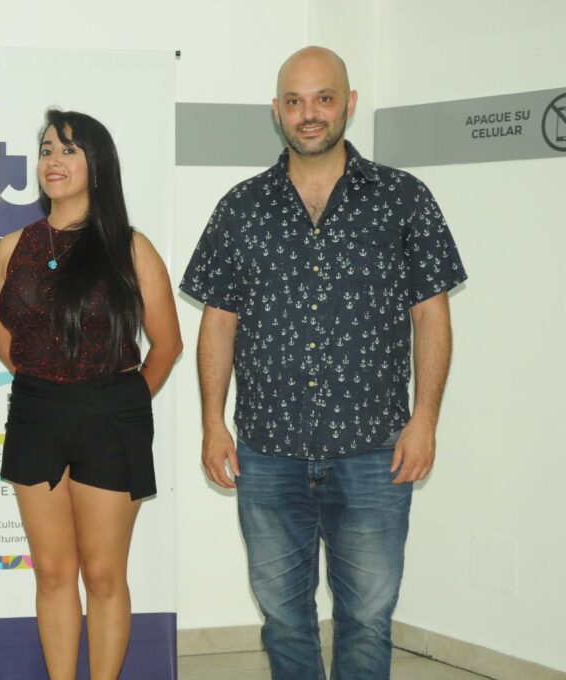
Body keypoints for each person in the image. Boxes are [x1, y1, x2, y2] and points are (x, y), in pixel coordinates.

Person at [180, 46, 467, 680]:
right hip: (267, 452)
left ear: (349, 103)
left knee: (367, 617)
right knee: (283, 619)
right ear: (276, 111)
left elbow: (431, 315)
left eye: (323, 98)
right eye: (295, 101)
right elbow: (218, 321)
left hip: (374, 451)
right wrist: (212, 422)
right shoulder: (241, 207)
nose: (309, 113)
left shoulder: (402, 198)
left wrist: (425, 420)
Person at [0, 110, 182, 680]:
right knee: (52, 572)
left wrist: (122, 401)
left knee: (102, 574)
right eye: (47, 149)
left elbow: (167, 345)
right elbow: (7, 346)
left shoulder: (130, 248)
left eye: (69, 150)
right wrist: (54, 387)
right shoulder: (12, 248)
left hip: (111, 416)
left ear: (97, 165)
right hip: (36, 414)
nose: (54, 161)